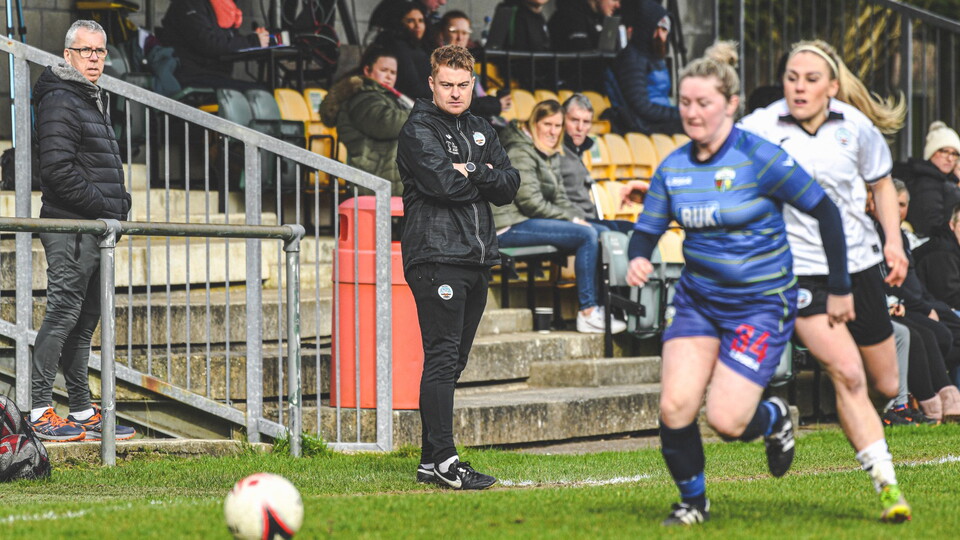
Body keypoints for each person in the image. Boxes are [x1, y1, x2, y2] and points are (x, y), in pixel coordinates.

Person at [626, 41, 849, 526]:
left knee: (727, 422)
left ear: (730, 104)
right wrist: (638, 259)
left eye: (703, 103)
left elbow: (826, 212)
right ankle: (693, 503)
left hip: (760, 305)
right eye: (684, 103)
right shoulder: (674, 168)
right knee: (675, 405)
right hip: (698, 303)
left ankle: (775, 419)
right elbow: (646, 231)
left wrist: (840, 285)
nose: (692, 112)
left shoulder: (758, 158)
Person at [739, 39, 912, 523]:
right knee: (848, 373)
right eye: (792, 77)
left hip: (859, 266)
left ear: (832, 87)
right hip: (801, 273)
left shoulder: (856, 128)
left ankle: (854, 415)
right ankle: (887, 487)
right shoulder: (761, 125)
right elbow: (716, 155)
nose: (799, 87)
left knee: (885, 381)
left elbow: (880, 182)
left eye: (811, 79)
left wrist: (893, 244)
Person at [397, 45, 520, 490]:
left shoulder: (482, 127)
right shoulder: (417, 129)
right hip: (435, 255)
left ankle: (431, 462)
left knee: (454, 362)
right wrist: (480, 174)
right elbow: (443, 185)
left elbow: (509, 185)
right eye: (446, 84)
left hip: (477, 257)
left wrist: (471, 168)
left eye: (462, 85)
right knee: (444, 356)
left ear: (472, 84)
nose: (454, 92)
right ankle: (448, 460)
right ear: (431, 84)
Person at [30, 20, 136, 442]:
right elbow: (56, 171)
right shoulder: (61, 98)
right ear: (68, 54)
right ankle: (39, 409)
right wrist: (110, 207)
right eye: (86, 50)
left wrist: (117, 208)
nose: (94, 58)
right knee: (62, 316)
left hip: (93, 228)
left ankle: (80, 408)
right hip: (72, 227)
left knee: (85, 320)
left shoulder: (87, 96)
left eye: (100, 51)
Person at [494, 100, 627, 334]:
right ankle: (587, 312)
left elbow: (561, 199)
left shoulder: (549, 151)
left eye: (557, 126)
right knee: (586, 234)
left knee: (600, 231)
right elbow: (530, 202)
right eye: (547, 124)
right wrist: (575, 222)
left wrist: (578, 217)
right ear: (534, 123)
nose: (553, 131)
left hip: (528, 220)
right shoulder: (520, 150)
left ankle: (609, 307)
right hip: (508, 225)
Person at [867, 186, 960, 423]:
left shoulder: (900, 237)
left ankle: (940, 398)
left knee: (940, 331)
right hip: (886, 305)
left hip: (911, 303)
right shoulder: (872, 234)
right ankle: (923, 403)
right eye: (892, 203)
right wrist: (906, 304)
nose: (897, 211)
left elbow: (915, 284)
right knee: (922, 335)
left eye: (902, 205)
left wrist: (931, 306)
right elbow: (884, 281)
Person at [319, 46, 412, 195]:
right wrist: (421, 114)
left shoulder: (386, 98)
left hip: (386, 179)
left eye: (393, 72)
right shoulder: (363, 97)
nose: (389, 76)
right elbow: (386, 124)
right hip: (374, 180)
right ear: (367, 71)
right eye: (384, 70)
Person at [602, 0, 682, 135]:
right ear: (647, 28)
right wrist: (677, 113)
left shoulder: (654, 57)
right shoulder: (632, 59)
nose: (662, 36)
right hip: (645, 126)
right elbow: (641, 107)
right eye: (658, 29)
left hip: (661, 119)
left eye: (665, 30)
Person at [558, 93, 635, 232]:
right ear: (562, 120)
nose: (580, 128)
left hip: (588, 218)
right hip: (571, 221)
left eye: (586, 122)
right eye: (574, 120)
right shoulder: (555, 151)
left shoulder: (576, 151)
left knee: (635, 229)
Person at [159, 0, 270, 91]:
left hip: (217, 78)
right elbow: (209, 44)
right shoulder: (187, 4)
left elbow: (231, 42)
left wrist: (263, 41)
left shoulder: (221, 6)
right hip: (194, 78)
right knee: (260, 93)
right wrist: (253, 42)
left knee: (266, 90)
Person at [436, 10, 512, 123]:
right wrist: (495, 104)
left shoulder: (466, 63)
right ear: (442, 34)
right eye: (454, 31)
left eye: (465, 33)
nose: (460, 37)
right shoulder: (439, 63)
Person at [893, 121, 960, 238]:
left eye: (955, 154)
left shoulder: (946, 181)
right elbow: (930, 227)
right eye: (944, 151)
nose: (950, 158)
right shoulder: (926, 182)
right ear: (932, 152)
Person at [375, 2, 433, 100]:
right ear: (399, 22)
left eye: (421, 20)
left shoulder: (422, 46)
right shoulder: (398, 47)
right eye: (410, 21)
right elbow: (413, 87)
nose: (417, 25)